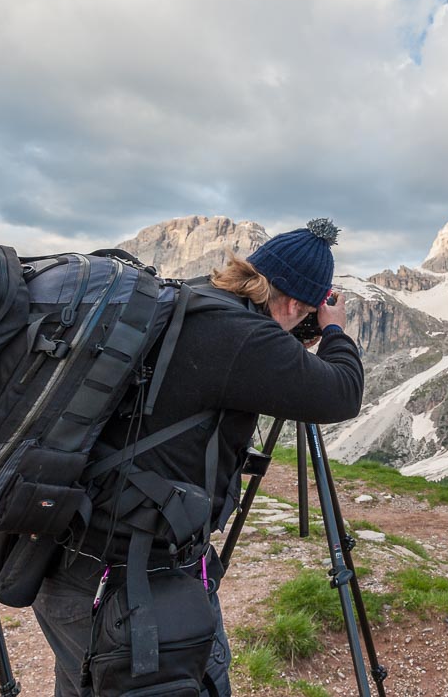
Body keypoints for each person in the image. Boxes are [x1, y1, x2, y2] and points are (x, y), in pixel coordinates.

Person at [30, 219, 364, 696]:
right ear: (294, 304)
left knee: (85, 683)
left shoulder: (186, 299)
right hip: (140, 588)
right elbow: (342, 393)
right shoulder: (245, 337)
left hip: (64, 560)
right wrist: (334, 333)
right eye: (304, 313)